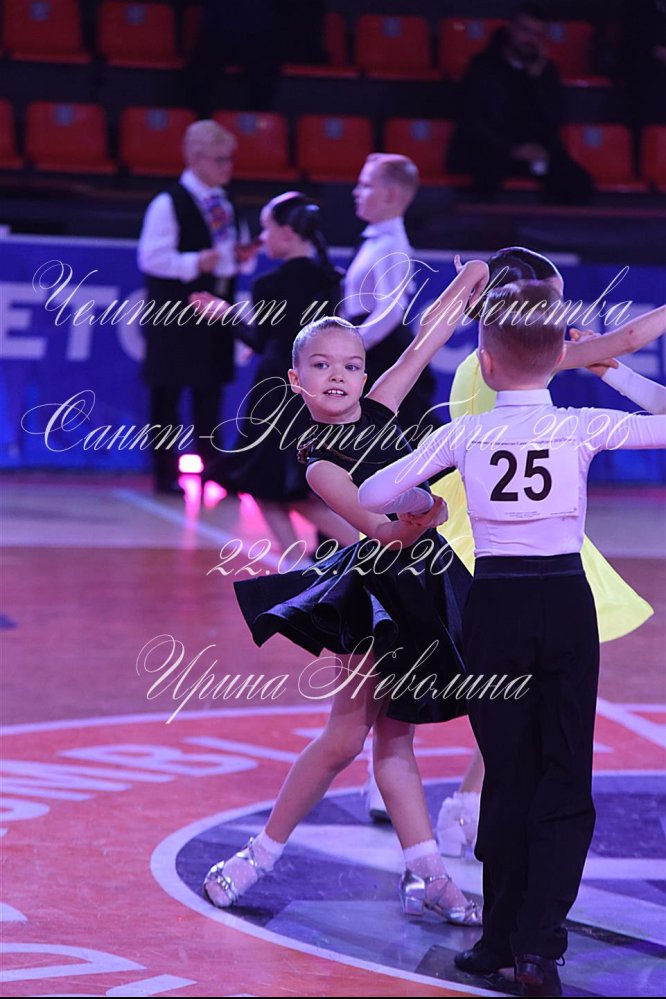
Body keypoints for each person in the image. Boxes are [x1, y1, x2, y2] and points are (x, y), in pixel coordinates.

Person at [358, 281, 666, 996]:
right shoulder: (581, 425)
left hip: (493, 605)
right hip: (564, 603)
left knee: (505, 770)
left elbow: (373, 493)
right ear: (558, 357)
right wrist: (617, 373)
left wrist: (423, 505)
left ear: (487, 365)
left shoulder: (462, 434)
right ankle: (537, 949)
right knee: (564, 770)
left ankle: (497, 938)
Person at [202, 259, 491, 925]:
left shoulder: (383, 407)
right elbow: (381, 531)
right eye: (323, 365)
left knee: (396, 744)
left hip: (427, 585)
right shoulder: (319, 461)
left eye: (351, 365)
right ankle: (258, 856)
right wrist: (423, 515)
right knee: (344, 737)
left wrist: (468, 280)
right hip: (378, 595)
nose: (339, 375)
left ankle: (429, 877)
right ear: (296, 380)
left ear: (365, 374)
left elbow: (423, 343)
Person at [432, 247, 664, 856]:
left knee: (505, 684)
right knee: (523, 684)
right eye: (548, 303)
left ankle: (457, 803)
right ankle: (466, 810)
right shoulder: (528, 355)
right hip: (507, 532)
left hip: (476, 517)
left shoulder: (483, 360)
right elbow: (630, 337)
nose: (555, 318)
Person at [190, 191, 357, 552]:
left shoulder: (271, 284)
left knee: (283, 490)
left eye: (267, 228)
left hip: (277, 395)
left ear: (288, 232)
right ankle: (303, 567)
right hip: (317, 393)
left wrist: (226, 315)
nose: (262, 238)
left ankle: (378, 549)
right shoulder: (329, 279)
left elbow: (263, 340)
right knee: (276, 488)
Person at [137, 119, 255, 496]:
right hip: (176, 312)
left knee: (211, 391)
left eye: (230, 159)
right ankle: (165, 472)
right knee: (167, 393)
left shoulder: (227, 203)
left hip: (217, 309)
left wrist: (241, 258)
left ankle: (213, 469)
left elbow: (235, 257)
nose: (227, 167)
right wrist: (193, 262)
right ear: (195, 158)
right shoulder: (168, 203)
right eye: (220, 160)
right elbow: (151, 257)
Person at [448, 3, 593, 203]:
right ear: (511, 29)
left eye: (537, 34)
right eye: (525, 31)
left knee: (578, 183)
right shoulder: (483, 66)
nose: (530, 39)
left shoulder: (545, 71)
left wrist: (537, 81)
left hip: (533, 151)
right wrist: (512, 150)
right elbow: (472, 120)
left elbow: (556, 118)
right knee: (485, 177)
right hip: (490, 148)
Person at [342, 153, 440, 438]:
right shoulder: (377, 240)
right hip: (373, 346)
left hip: (382, 352)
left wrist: (351, 348)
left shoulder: (390, 245)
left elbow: (392, 309)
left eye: (366, 185)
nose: (356, 192)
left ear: (390, 194)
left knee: (398, 434)